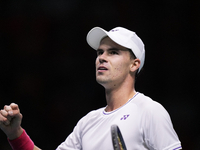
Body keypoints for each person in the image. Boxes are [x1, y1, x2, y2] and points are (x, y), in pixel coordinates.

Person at [0, 27, 182, 150]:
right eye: (100, 52)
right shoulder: (87, 123)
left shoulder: (149, 112)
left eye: (113, 52)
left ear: (134, 65)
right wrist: (15, 133)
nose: (102, 57)